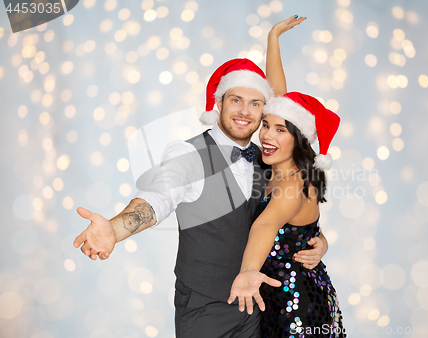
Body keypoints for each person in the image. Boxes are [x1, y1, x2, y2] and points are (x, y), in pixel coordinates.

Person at [73, 16, 328, 338]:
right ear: (218, 103)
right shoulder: (188, 155)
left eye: (255, 104)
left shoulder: (269, 154)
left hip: (265, 302)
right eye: (235, 100)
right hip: (209, 307)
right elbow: (159, 197)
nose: (245, 112)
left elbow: (284, 110)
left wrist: (315, 241)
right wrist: (114, 228)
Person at [227, 19, 345, 338]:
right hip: (274, 299)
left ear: (299, 140)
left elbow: (265, 225)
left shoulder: (293, 182)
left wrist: (248, 272)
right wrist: (273, 38)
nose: (266, 134)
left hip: (299, 307)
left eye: (281, 130)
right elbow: (279, 97)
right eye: (266, 125)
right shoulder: (273, 167)